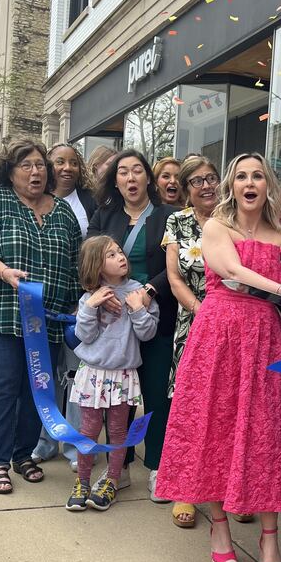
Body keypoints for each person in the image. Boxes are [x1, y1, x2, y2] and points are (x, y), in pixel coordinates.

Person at [155, 153, 281, 562]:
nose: (250, 182)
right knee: (217, 428)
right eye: (242, 176)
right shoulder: (216, 226)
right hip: (218, 333)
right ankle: (220, 527)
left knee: (264, 433)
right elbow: (229, 270)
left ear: (268, 184)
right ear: (233, 184)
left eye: (258, 176)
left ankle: (270, 539)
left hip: (266, 336)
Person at [0, 140, 82, 495]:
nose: (36, 171)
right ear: (10, 172)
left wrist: (78, 304)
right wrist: (3, 272)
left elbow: (75, 263)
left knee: (38, 389)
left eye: (40, 165)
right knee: (2, 387)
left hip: (48, 320)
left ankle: (23, 453)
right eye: (26, 165)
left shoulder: (62, 211)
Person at [87, 149, 178, 497]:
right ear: (115, 181)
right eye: (122, 172)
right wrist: (103, 295)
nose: (130, 178)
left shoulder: (170, 216)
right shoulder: (103, 215)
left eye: (137, 170)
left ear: (148, 178)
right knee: (115, 399)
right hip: (113, 319)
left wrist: (150, 291)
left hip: (156, 314)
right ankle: (118, 467)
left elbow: (177, 265)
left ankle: (157, 465)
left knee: (156, 395)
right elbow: (90, 259)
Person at [65, 236, 159, 512]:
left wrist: (138, 308)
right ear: (97, 265)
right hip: (93, 373)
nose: (121, 257)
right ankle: (82, 481)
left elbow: (147, 333)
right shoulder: (89, 297)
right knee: (88, 430)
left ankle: (111, 481)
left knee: (119, 432)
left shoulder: (139, 292)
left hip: (123, 374)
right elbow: (85, 335)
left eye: (120, 252)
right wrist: (91, 306)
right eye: (111, 255)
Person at [31, 143, 98, 468]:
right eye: (60, 161)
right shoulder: (31, 199)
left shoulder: (89, 202)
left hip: (79, 304)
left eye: (73, 162)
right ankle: (44, 442)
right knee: (45, 374)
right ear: (48, 166)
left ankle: (73, 446)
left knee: (73, 375)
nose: (67, 168)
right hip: (39, 304)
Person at [162, 154, 220, 528]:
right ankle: (185, 488)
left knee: (225, 406)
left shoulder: (234, 219)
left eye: (211, 177)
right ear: (185, 190)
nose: (206, 186)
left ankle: (229, 488)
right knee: (190, 407)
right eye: (197, 181)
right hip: (193, 321)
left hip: (235, 322)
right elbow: (174, 277)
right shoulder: (177, 222)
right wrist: (201, 312)